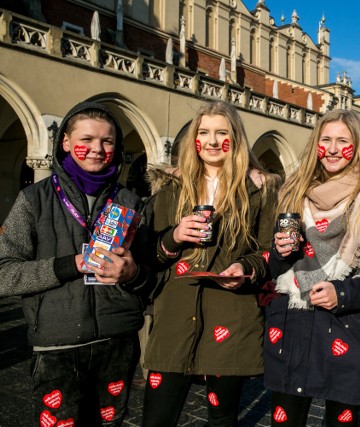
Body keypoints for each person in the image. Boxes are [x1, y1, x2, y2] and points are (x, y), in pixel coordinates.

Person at [0, 101, 151, 425]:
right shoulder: (34, 199)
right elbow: (4, 274)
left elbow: (150, 274)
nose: (97, 149)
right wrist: (72, 264)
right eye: (87, 139)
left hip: (117, 340)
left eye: (107, 141)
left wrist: (133, 272)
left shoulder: (130, 202)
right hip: (57, 344)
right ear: (66, 142)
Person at [141, 100, 279, 426]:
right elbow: (150, 253)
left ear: (236, 138)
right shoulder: (171, 186)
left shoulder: (260, 188)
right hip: (174, 318)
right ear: (193, 139)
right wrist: (174, 236)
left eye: (222, 133)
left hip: (231, 317)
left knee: (222, 418)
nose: (213, 141)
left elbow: (268, 250)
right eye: (204, 132)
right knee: (156, 417)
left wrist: (247, 269)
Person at [264, 109, 360, 426]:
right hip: (293, 331)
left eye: (342, 141)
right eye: (326, 140)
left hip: (346, 333)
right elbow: (277, 268)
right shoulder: (291, 194)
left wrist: (342, 294)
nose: (333, 149)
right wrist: (279, 252)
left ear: (357, 146)